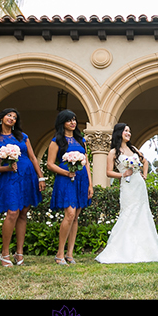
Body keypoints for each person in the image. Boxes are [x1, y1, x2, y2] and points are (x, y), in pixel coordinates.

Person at [96, 124, 158, 263]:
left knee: (142, 213)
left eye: (129, 131)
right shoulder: (113, 152)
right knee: (128, 213)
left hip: (139, 184)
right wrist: (123, 174)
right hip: (127, 185)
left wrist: (144, 174)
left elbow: (145, 161)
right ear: (119, 133)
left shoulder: (134, 149)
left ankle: (147, 248)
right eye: (126, 130)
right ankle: (124, 249)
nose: (128, 133)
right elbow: (108, 172)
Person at [0, 108, 45, 267]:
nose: (12, 119)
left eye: (15, 117)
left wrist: (40, 176)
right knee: (12, 212)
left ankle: (19, 252)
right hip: (9, 176)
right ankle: (4, 253)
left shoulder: (23, 136)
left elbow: (33, 157)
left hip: (27, 175)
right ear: (2, 118)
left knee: (23, 213)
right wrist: (4, 161)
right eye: (9, 115)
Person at [46, 110, 93, 266]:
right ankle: (59, 253)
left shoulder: (81, 140)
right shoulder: (56, 141)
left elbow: (87, 163)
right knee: (70, 213)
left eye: (74, 119)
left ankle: (70, 254)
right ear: (62, 123)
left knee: (76, 215)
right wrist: (66, 173)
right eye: (69, 120)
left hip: (81, 179)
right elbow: (50, 164)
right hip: (66, 179)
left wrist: (90, 184)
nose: (73, 122)